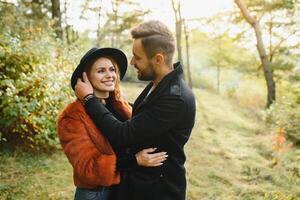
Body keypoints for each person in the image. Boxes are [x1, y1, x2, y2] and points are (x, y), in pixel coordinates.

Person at [75, 20, 196, 200]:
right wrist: (109, 102)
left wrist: (89, 99)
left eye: (137, 57)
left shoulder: (175, 98)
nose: (132, 62)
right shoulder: (158, 85)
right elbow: (143, 115)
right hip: (137, 183)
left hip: (156, 191)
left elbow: (123, 134)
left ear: (158, 59)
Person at [57, 47, 168, 200]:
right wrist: (135, 160)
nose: (110, 75)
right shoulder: (72, 117)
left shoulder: (121, 105)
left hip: (123, 189)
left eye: (112, 69)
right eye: (101, 71)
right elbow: (87, 169)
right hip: (97, 194)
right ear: (86, 78)